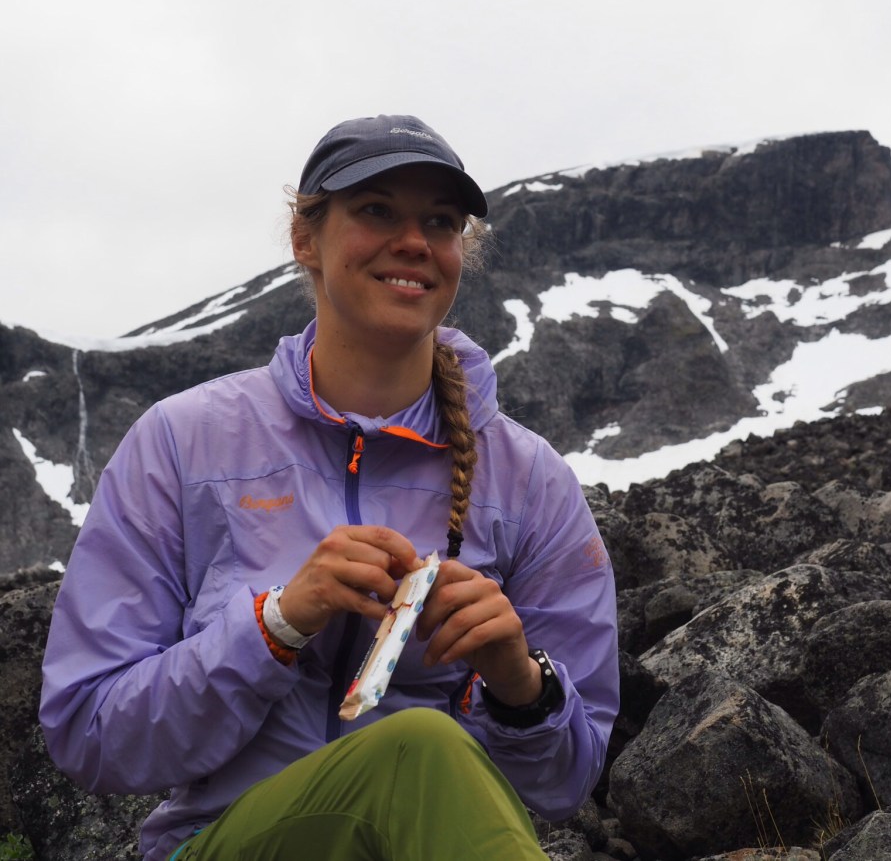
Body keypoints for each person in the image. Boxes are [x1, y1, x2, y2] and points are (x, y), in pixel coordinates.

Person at [39, 115, 620, 860]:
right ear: (305, 239)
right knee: (417, 746)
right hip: (225, 844)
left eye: (440, 222)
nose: (413, 241)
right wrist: (275, 626)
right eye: (376, 210)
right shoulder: (182, 443)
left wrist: (520, 683)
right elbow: (87, 731)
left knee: (424, 750)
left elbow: (569, 782)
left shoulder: (531, 481)